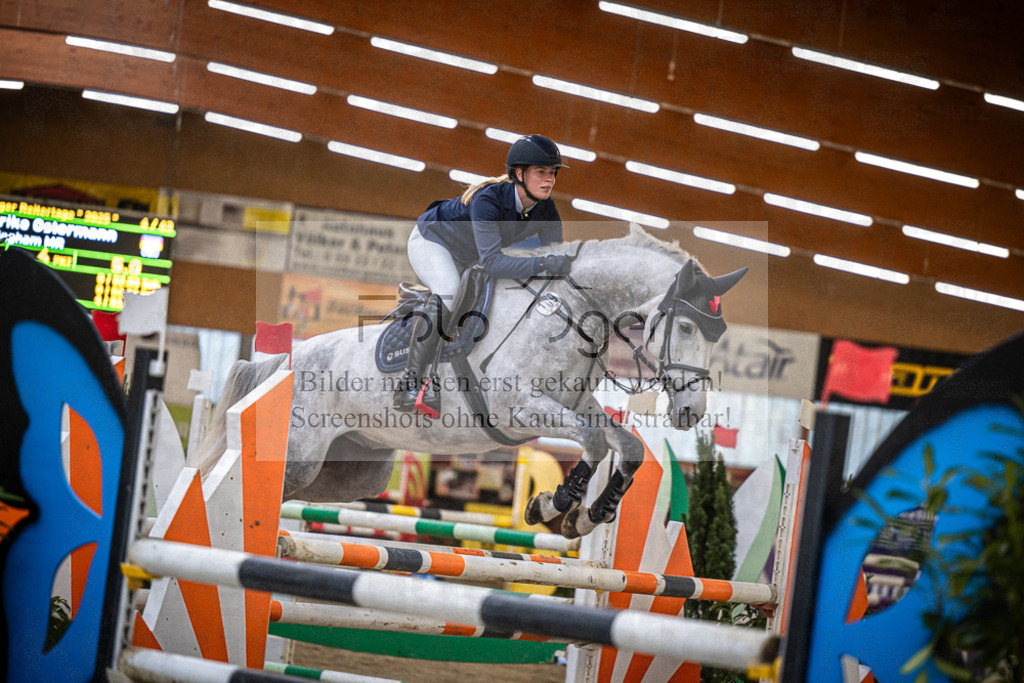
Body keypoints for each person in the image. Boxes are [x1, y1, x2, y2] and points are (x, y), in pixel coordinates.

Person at [394, 134, 573, 412]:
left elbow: (556, 258)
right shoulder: (488, 198)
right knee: (449, 290)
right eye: (541, 172)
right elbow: (494, 262)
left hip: (468, 255)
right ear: (519, 173)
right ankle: (409, 384)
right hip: (433, 240)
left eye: (552, 173)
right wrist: (542, 264)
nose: (549, 179)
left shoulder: (546, 210)